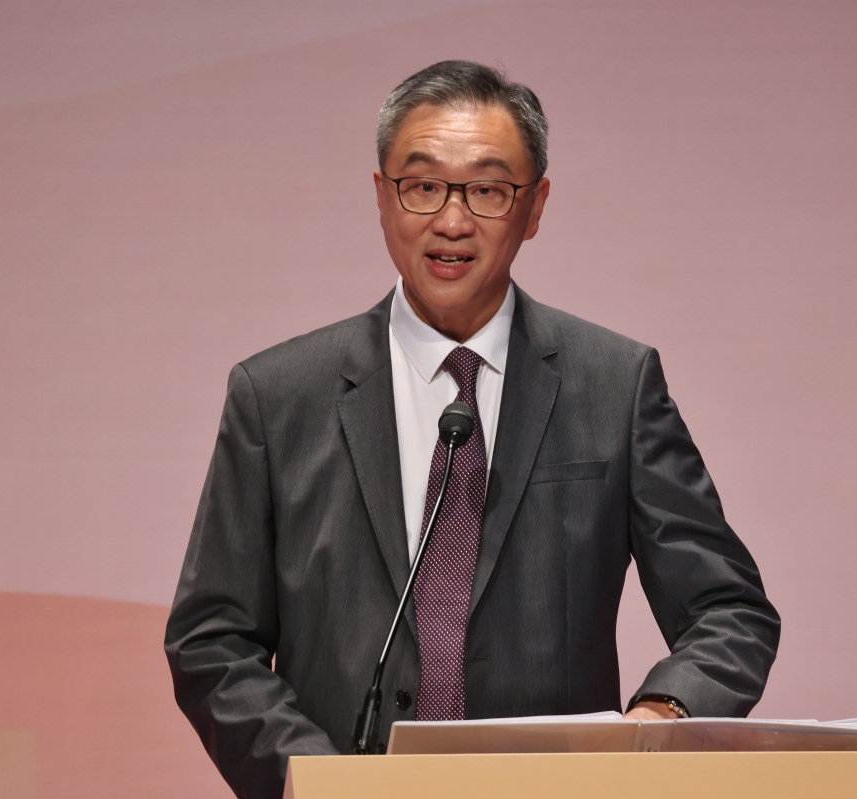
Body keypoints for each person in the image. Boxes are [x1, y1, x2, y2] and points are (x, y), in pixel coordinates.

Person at [165, 60, 780, 799]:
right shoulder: (276, 396)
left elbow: (729, 610)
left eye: (487, 190)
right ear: (381, 197)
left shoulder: (613, 386)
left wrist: (660, 716)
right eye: (423, 186)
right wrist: (312, 779)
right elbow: (212, 640)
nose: (452, 222)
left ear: (536, 205)